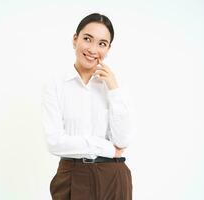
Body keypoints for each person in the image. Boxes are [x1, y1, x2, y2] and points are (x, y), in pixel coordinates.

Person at [42, 13, 134, 200]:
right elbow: (54, 142)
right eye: (87, 39)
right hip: (72, 176)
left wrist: (114, 90)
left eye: (102, 43)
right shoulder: (56, 85)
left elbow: (122, 141)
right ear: (75, 40)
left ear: (108, 49)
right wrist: (106, 149)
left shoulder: (114, 86)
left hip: (113, 176)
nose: (93, 49)